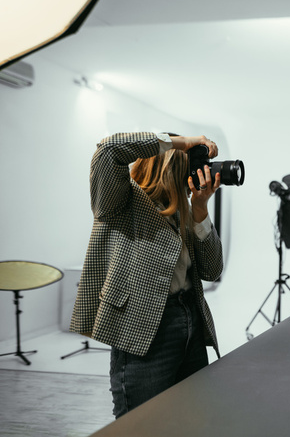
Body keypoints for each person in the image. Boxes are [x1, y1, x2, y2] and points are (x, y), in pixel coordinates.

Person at [70, 132, 225, 418]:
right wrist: (182, 141)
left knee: (190, 417)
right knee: (142, 422)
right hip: (146, 327)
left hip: (189, 316)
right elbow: (108, 149)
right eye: (188, 165)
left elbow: (212, 270)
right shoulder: (120, 200)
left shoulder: (183, 211)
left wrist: (201, 210)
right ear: (167, 166)